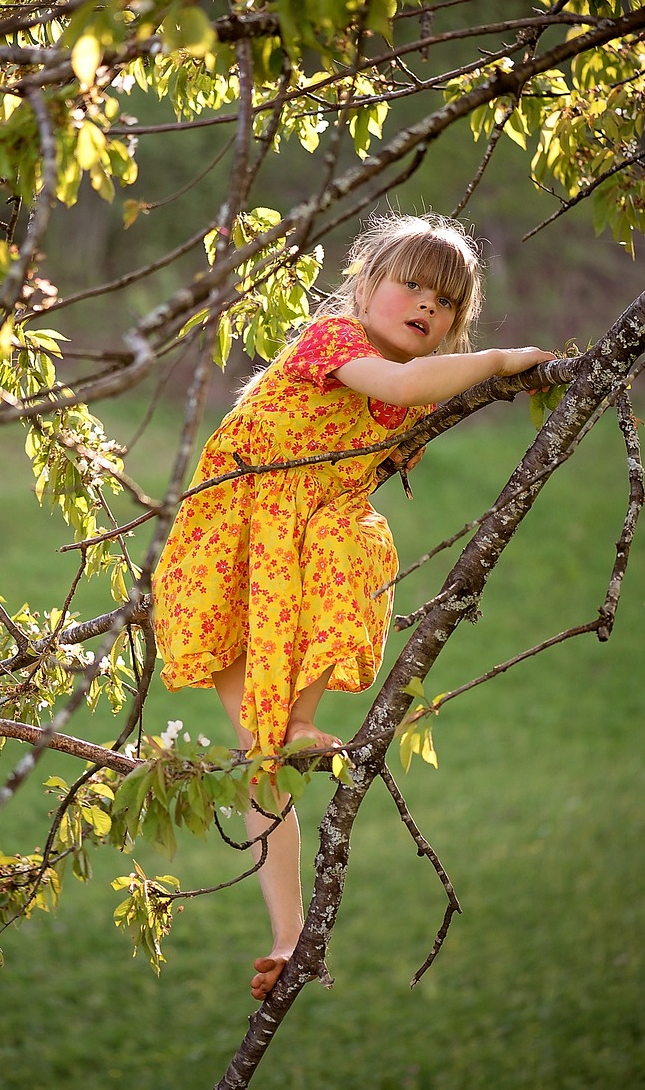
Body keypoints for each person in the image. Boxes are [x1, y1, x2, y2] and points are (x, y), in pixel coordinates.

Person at [151, 212, 555, 1002]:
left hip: (296, 556)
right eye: (410, 285)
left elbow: (411, 399)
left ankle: (288, 936)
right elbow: (402, 383)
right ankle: (290, 739)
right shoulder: (335, 343)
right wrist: (501, 360)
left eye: (446, 302)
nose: (425, 307)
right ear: (365, 286)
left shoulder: (409, 401)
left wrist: (486, 380)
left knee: (270, 749)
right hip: (233, 546)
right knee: (263, 741)